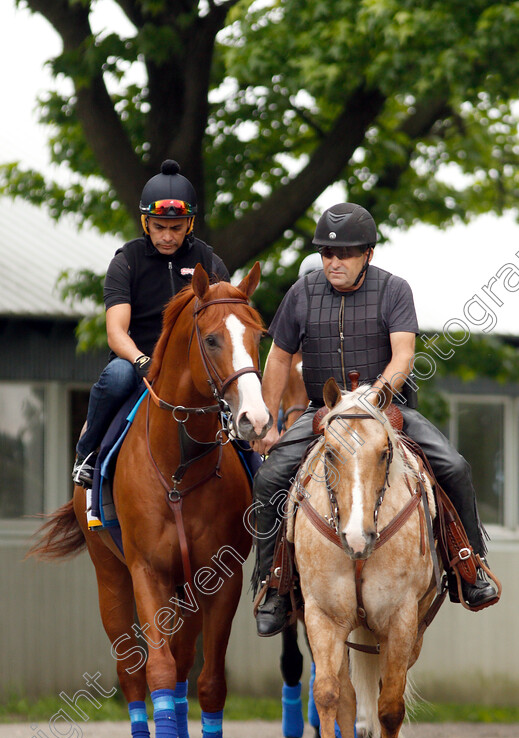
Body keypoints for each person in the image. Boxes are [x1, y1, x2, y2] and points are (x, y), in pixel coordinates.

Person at [251, 202, 498, 637]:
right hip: (322, 413)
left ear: (368, 253)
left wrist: (374, 396)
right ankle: (272, 585)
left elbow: (403, 354)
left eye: (344, 253)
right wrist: (270, 423)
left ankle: (469, 565)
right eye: (327, 254)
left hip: (386, 410)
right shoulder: (301, 293)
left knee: (455, 466)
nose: (333, 262)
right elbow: (280, 356)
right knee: (269, 480)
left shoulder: (394, 290)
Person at [72, 160, 229, 487]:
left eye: (176, 227)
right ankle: (86, 453)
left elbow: (227, 322)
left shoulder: (210, 261)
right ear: (146, 223)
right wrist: (141, 360)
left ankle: (255, 465)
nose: (168, 236)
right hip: (138, 361)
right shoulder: (126, 261)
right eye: (159, 227)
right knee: (116, 376)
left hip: (196, 364)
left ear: (190, 224)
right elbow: (116, 330)